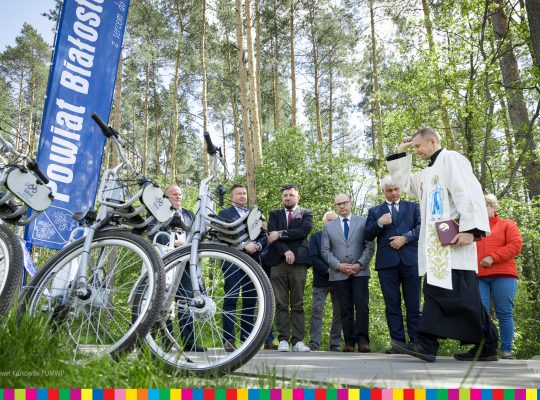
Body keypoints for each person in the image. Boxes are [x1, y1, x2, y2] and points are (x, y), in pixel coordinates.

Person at [387, 127, 499, 362]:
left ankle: (426, 344)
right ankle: (487, 345)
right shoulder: (428, 173)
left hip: (455, 243)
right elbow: (403, 183)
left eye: (418, 146)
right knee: (463, 296)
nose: (416, 151)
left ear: (433, 140)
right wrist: (401, 151)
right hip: (437, 248)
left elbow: (469, 193)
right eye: (414, 147)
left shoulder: (451, 159)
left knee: (442, 293)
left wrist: (471, 230)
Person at [364, 176, 421, 353]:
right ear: (383, 192)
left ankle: (417, 342)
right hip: (387, 264)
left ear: (400, 189)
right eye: (389, 190)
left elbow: (422, 228)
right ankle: (397, 343)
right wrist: (380, 223)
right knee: (392, 304)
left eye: (396, 189)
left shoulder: (413, 207)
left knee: (413, 303)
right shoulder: (375, 211)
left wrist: (405, 238)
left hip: (411, 261)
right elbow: (367, 234)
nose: (393, 193)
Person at [218, 184, 269, 352]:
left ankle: (247, 339)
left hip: (253, 261)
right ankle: (229, 339)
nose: (242, 196)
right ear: (232, 197)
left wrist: (258, 246)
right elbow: (223, 234)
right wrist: (243, 245)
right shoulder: (224, 214)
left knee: (250, 300)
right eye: (238, 193)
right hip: (232, 259)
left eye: (244, 193)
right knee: (231, 298)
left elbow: (263, 235)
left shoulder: (253, 214)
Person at [154, 184, 205, 352]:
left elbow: (198, 233)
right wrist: (171, 240)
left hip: (186, 260)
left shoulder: (190, 214)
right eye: (174, 194)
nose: (178, 197)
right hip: (165, 259)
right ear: (166, 197)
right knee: (163, 299)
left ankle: (189, 342)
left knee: (185, 301)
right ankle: (166, 341)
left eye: (180, 194)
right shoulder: (158, 211)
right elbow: (151, 232)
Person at [322, 194, 375, 353]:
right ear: (335, 206)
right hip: (339, 273)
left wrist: (359, 264)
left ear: (351, 203)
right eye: (338, 204)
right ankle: (349, 343)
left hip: (360, 272)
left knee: (362, 306)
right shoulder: (328, 226)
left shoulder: (363, 222)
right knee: (344, 308)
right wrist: (339, 265)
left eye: (344, 203)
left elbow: (370, 246)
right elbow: (325, 250)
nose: (342, 206)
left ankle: (363, 341)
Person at [264, 184, 313, 352]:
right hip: (278, 262)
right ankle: (283, 339)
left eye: (291, 195)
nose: (287, 198)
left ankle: (298, 341)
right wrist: (286, 250)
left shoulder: (306, 213)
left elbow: (303, 231)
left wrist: (281, 234)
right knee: (281, 303)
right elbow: (271, 236)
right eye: (285, 195)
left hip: (299, 263)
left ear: (297, 197)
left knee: (298, 303)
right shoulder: (274, 214)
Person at [477, 194, 522, 359]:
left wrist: (493, 257)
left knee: (504, 312)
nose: (483, 210)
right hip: (479, 276)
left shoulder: (507, 225)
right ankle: (486, 350)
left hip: (504, 275)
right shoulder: (473, 229)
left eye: (486, 206)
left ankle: (506, 351)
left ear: (494, 207)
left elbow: (515, 245)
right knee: (480, 313)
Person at [307, 211, 343, 352]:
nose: (331, 222)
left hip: (339, 279)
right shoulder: (315, 237)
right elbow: (313, 257)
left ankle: (335, 343)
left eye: (334, 220)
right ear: (324, 222)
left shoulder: (342, 237)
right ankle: (314, 342)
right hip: (321, 279)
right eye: (328, 220)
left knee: (339, 311)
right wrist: (328, 270)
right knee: (317, 310)